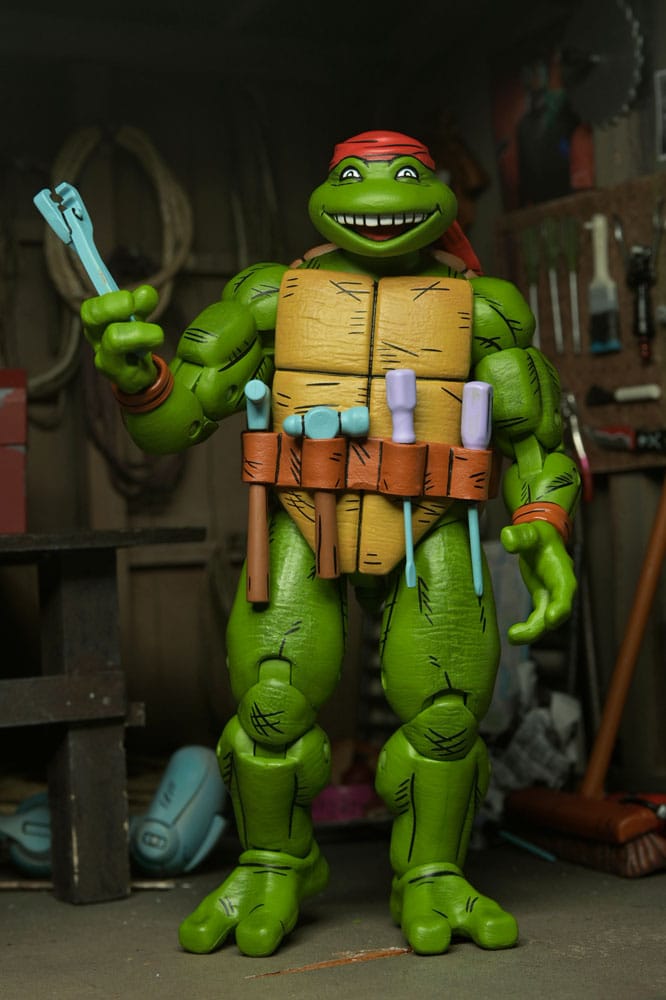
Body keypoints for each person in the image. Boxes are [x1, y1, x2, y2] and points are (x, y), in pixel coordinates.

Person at [81, 130, 579, 957]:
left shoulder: (485, 310)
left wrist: (544, 525)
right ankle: (276, 861)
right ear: (327, 190)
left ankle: (432, 872)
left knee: (448, 711)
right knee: (270, 701)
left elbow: (536, 436)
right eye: (353, 175)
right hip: (301, 513)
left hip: (434, 517)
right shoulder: (269, 300)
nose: (378, 197)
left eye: (405, 175)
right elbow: (178, 420)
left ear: (438, 193)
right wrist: (140, 381)